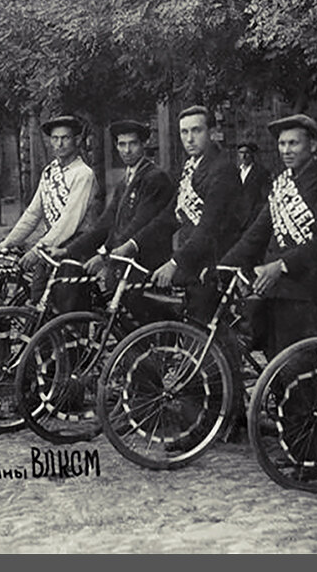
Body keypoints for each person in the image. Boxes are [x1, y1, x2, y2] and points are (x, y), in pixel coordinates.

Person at [119, 106, 245, 435]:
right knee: (205, 343)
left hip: (215, 265)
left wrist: (175, 263)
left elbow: (208, 228)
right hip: (195, 265)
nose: (190, 138)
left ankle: (210, 424)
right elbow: (170, 217)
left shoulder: (223, 171)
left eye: (196, 131)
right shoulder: (191, 168)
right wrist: (132, 244)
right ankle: (225, 418)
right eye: (185, 132)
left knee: (206, 346)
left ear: (212, 133)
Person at [220, 114, 317, 359]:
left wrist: (281, 265)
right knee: (274, 364)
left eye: (293, 143)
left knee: (297, 368)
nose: (286, 150)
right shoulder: (281, 184)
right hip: (274, 289)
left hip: (306, 290)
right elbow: (257, 232)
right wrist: (224, 264)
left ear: (312, 145)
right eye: (282, 144)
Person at [0, 114, 97, 300]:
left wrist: (37, 250)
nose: (59, 144)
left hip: (75, 246)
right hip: (50, 244)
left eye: (65, 138)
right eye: (55, 138)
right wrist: (7, 243)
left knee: (67, 305)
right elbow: (33, 213)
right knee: (37, 297)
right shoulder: (49, 172)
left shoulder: (83, 174)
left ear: (76, 140)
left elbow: (68, 221)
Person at [65, 119, 174, 279]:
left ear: (144, 144)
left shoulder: (155, 178)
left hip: (145, 266)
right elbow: (106, 222)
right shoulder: (125, 181)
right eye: (122, 144)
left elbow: (138, 223)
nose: (127, 150)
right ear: (116, 146)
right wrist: (68, 250)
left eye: (133, 144)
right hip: (123, 263)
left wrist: (105, 256)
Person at [236, 142, 270, 231]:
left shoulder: (261, 172)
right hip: (237, 218)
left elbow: (265, 197)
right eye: (241, 153)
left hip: (253, 217)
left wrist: (256, 216)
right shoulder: (236, 172)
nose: (243, 156)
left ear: (252, 154)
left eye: (246, 153)